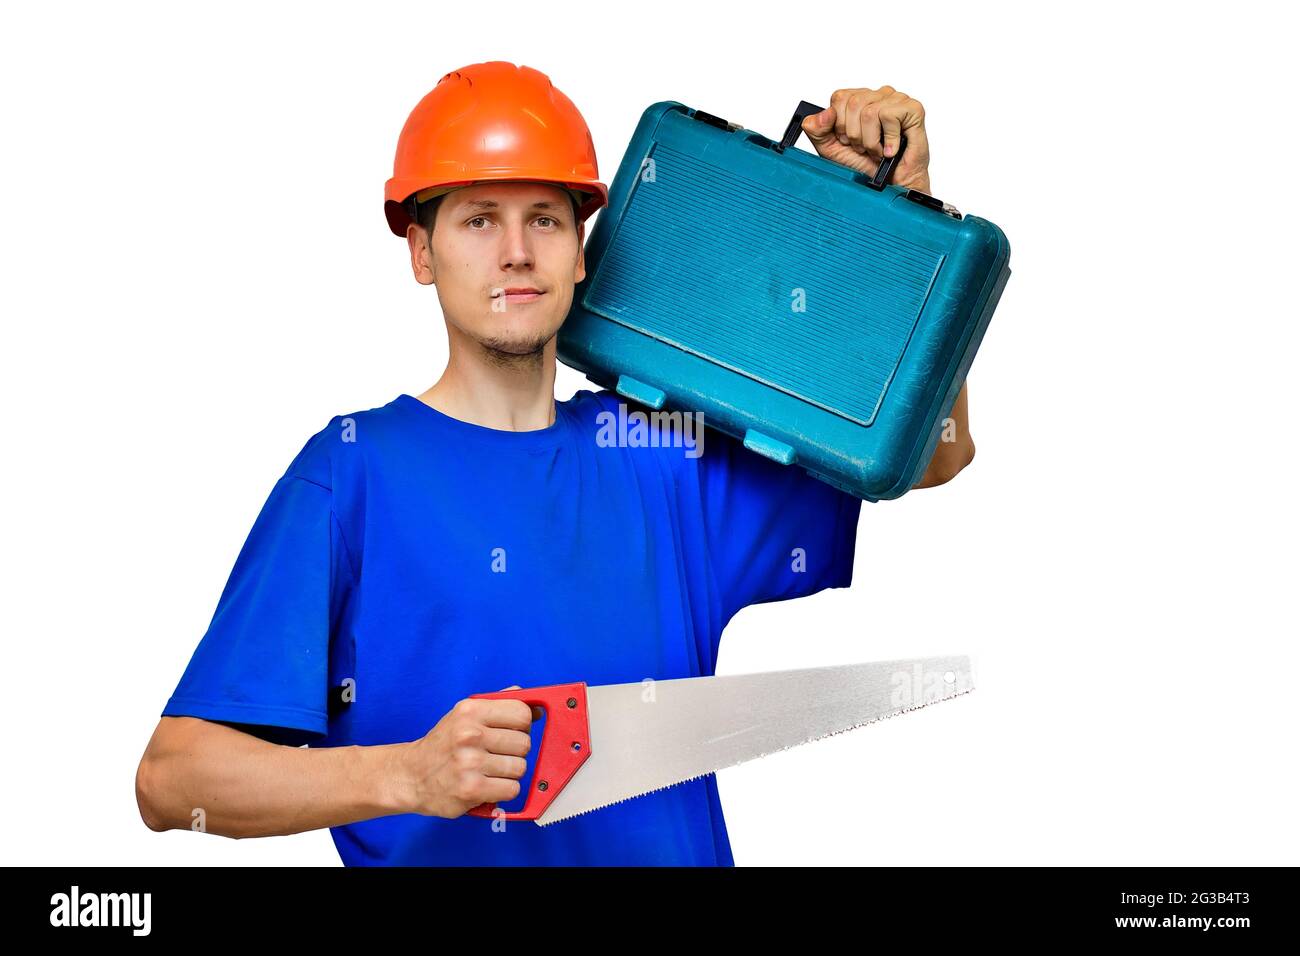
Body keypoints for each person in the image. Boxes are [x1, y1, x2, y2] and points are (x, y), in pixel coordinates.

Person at [134, 61, 974, 866]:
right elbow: (175, 780)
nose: (515, 252)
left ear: (581, 251)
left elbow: (935, 455)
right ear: (422, 254)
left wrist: (899, 225)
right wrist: (405, 774)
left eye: (544, 218)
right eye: (476, 219)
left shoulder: (663, 454)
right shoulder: (350, 475)